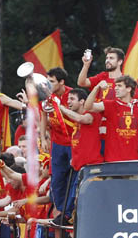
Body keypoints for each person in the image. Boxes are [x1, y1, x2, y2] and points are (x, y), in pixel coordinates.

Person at [83, 72, 138, 165]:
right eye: (115, 85)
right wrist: (96, 88)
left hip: (134, 161)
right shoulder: (111, 105)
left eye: (119, 86)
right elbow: (88, 107)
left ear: (129, 88)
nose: (115, 88)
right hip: (113, 162)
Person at [58, 88, 103, 222]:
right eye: (68, 99)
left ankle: (68, 217)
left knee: (82, 199)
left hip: (91, 167)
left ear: (82, 101)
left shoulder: (91, 115)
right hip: (79, 167)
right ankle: (67, 216)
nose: (68, 102)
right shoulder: (76, 121)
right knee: (73, 197)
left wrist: (61, 108)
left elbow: (82, 118)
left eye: (72, 99)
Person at [39, 67, 73, 223]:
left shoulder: (72, 95)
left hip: (73, 142)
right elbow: (43, 117)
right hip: (57, 143)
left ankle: (70, 211)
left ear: (62, 82)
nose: (48, 84)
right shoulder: (46, 96)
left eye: (51, 82)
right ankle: (61, 211)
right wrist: (43, 138)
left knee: (73, 177)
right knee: (57, 178)